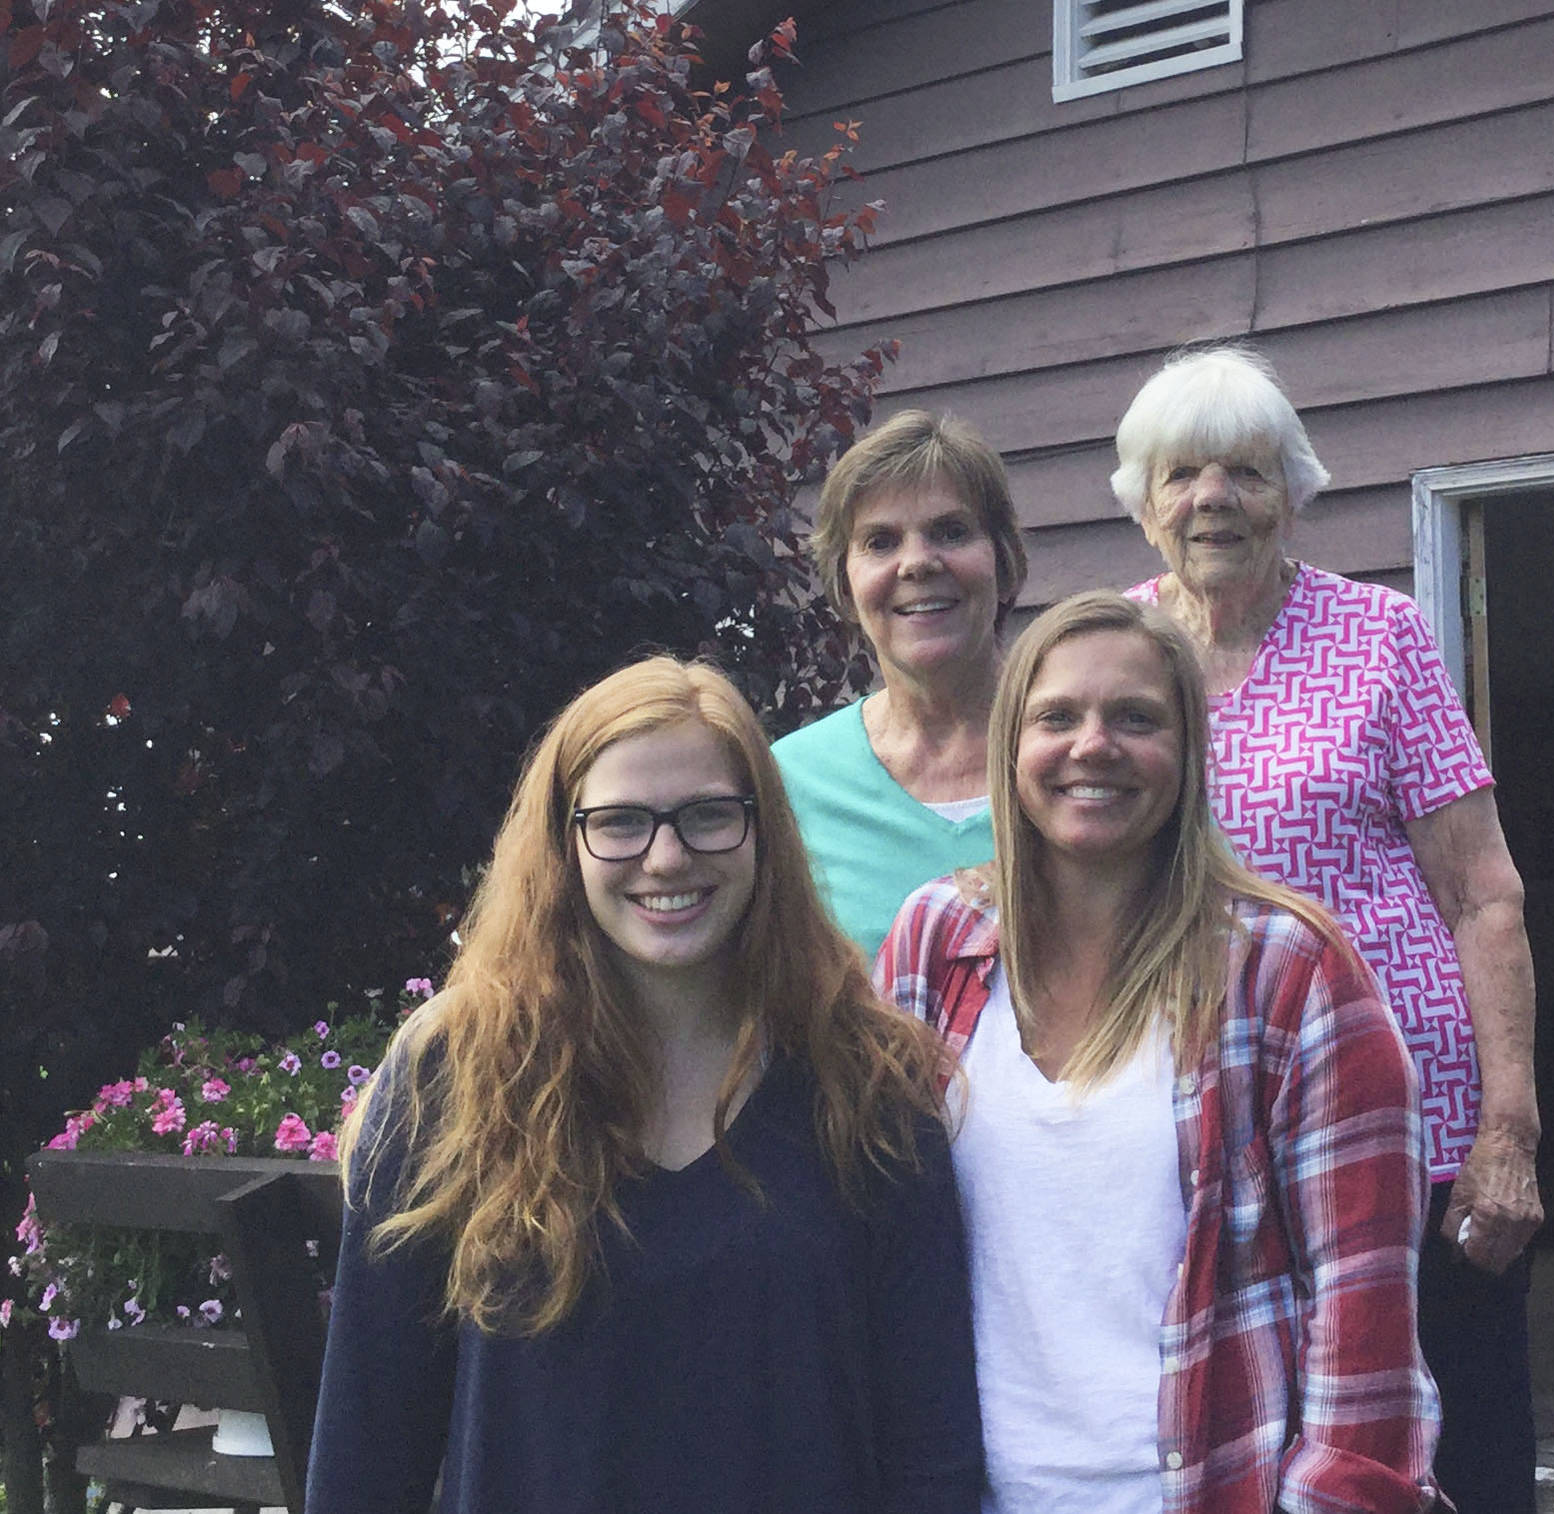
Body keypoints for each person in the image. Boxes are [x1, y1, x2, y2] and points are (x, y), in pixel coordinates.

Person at [305, 655, 982, 1514]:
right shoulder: (455, 1076)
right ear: (563, 841)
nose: (666, 858)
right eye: (620, 823)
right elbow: (368, 1449)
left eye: (706, 816)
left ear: (763, 831)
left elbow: (932, 1455)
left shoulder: (871, 1083)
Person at [876, 592, 1441, 1514]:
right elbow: (880, 1246)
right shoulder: (936, 943)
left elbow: (1365, 1318)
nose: (1091, 746)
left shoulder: (1290, 973)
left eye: (1135, 718)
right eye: (1056, 716)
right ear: (1010, 748)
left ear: (1188, 755)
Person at [1115, 345, 1544, 1513]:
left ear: (1291, 491)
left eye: (1245, 472)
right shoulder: (1111, 655)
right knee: (1239, 1431)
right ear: (1142, 499)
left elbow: (1481, 891)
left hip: (1405, 1119)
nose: (1214, 498)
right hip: (1194, 1120)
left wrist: (1508, 1130)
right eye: (1183, 472)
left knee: (1451, 1441)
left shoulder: (1381, 636)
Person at [774, 409, 1028, 957]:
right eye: (881, 542)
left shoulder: (1085, 753)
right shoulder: (787, 783)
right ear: (845, 584)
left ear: (1005, 562)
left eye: (950, 531)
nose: (917, 562)